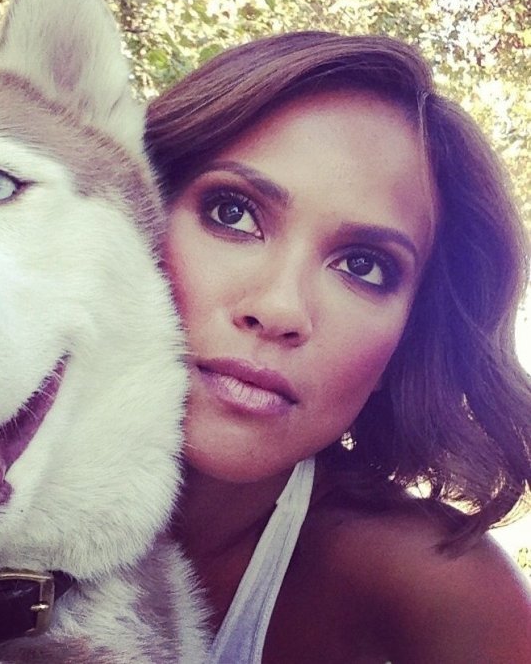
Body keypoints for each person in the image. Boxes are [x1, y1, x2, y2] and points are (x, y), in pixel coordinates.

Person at [144, 32, 531, 662]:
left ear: (405, 345)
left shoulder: (442, 598)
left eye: (365, 266)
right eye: (233, 213)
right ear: (138, 212)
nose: (278, 309)